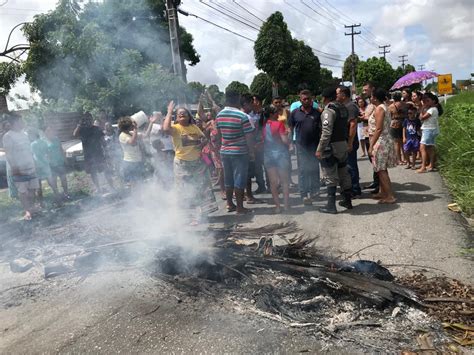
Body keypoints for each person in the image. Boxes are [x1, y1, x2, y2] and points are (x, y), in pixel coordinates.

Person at [163, 101, 218, 224]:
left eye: (184, 113)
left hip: (197, 163)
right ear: (176, 117)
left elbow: (204, 138)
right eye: (179, 114)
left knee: (200, 188)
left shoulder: (194, 127)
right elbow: (166, 129)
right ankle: (190, 218)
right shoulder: (176, 128)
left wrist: (202, 143)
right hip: (182, 165)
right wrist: (169, 111)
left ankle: (202, 214)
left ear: (189, 116)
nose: (182, 114)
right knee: (185, 191)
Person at [216, 90, 255, 214]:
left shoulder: (219, 115)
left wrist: (220, 148)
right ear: (237, 100)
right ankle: (240, 207)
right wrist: (251, 152)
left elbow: (218, 135)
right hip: (239, 152)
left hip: (224, 151)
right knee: (239, 178)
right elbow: (249, 137)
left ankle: (229, 204)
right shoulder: (241, 116)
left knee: (228, 178)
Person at [316, 88, 353, 214]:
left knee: (330, 175)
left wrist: (320, 149)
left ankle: (331, 206)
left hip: (331, 147)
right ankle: (347, 201)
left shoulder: (329, 111)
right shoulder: (342, 108)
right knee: (343, 173)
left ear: (325, 98)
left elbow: (326, 132)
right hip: (342, 144)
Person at [3, 115, 40, 220]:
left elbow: (29, 150)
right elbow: (9, 154)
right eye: (21, 121)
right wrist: (15, 168)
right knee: (23, 191)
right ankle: (27, 211)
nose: (23, 122)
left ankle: (32, 208)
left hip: (30, 166)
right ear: (15, 122)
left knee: (33, 188)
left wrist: (34, 162)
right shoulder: (8, 136)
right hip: (19, 169)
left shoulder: (24, 134)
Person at [288, 90, 321, 206]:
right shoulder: (294, 113)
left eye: (308, 99)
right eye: (304, 99)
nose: (307, 101)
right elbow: (290, 128)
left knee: (314, 168)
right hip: (301, 146)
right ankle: (304, 194)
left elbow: (321, 129)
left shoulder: (317, 113)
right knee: (302, 170)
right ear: (300, 100)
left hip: (315, 146)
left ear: (311, 99)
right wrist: (291, 143)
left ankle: (315, 191)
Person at [368, 88, 397, 204]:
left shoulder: (380, 109)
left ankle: (390, 196)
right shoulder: (383, 107)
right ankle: (383, 192)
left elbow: (379, 128)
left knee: (381, 169)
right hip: (384, 140)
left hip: (381, 141)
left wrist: (371, 145)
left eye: (371, 96)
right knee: (381, 168)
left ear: (374, 97)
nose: (370, 98)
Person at [73, 113, 114, 193]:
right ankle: (98, 188)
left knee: (106, 170)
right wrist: (79, 124)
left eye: (90, 119)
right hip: (88, 156)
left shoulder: (96, 128)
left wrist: (106, 152)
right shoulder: (82, 129)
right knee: (93, 173)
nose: (88, 121)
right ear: (84, 121)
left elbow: (102, 140)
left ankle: (112, 187)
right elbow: (74, 135)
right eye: (86, 119)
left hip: (99, 154)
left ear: (92, 119)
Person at [262, 105, 290, 213]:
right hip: (280, 154)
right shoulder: (279, 124)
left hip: (268, 154)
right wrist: (288, 137)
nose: (278, 113)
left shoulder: (264, 126)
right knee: (284, 181)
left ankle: (277, 206)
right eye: (275, 112)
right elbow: (284, 140)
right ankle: (286, 205)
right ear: (271, 114)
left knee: (273, 182)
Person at [336, 86, 361, 197]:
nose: (336, 95)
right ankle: (350, 188)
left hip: (349, 141)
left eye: (337, 93)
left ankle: (355, 189)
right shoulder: (344, 106)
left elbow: (353, 125)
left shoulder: (350, 107)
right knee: (346, 166)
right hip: (344, 141)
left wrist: (350, 142)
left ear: (343, 94)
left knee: (351, 165)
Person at [241, 93, 262, 204]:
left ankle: (245, 195)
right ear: (246, 104)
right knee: (247, 174)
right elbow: (251, 134)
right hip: (247, 148)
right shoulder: (247, 117)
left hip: (239, 148)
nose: (253, 105)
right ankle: (249, 196)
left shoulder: (238, 115)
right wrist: (252, 151)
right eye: (251, 103)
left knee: (243, 174)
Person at [29, 128, 60, 204]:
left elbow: (32, 156)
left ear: (33, 136)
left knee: (38, 186)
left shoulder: (32, 144)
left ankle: (41, 203)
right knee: (51, 183)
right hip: (45, 165)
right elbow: (48, 153)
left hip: (37, 166)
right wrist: (48, 161)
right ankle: (58, 199)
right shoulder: (44, 142)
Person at [272, 95, 296, 187]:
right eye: (275, 103)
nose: (278, 104)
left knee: (287, 161)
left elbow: (290, 125)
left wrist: (291, 139)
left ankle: (289, 180)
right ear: (272, 103)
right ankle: (278, 181)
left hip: (286, 138)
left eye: (279, 102)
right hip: (275, 140)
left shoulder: (286, 112)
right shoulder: (271, 113)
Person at [361, 81, 379, 193]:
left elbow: (369, 118)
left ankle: (379, 185)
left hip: (373, 135)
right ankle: (376, 182)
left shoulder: (375, 104)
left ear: (372, 89)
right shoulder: (369, 103)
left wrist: (359, 117)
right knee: (372, 160)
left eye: (365, 90)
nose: (364, 92)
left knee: (375, 160)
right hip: (368, 133)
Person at [417, 92, 442, 173]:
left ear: (433, 101)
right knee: (430, 148)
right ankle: (431, 164)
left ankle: (423, 166)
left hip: (429, 130)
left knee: (422, 147)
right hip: (430, 129)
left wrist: (422, 109)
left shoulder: (432, 109)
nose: (426, 102)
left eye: (428, 101)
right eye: (425, 101)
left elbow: (421, 118)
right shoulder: (432, 109)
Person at [118, 116, 144, 189]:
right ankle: (135, 197)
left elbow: (145, 135)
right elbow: (132, 142)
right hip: (130, 162)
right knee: (134, 184)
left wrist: (151, 123)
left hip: (137, 160)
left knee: (139, 182)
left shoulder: (130, 133)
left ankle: (140, 197)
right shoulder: (122, 135)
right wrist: (135, 129)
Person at [44, 126, 70, 199]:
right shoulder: (44, 142)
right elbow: (44, 153)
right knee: (54, 181)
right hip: (51, 165)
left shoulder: (56, 139)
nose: (50, 133)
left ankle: (66, 193)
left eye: (51, 131)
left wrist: (65, 160)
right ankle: (57, 195)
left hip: (60, 162)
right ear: (45, 133)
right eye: (48, 131)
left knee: (63, 179)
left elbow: (61, 149)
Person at [249, 94, 267, 194]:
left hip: (265, 143)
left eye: (254, 100)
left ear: (258, 102)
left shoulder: (265, 113)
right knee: (257, 167)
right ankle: (261, 185)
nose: (252, 103)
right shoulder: (250, 114)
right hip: (255, 143)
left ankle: (272, 184)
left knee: (268, 165)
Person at [388, 92, 408, 165]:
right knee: (403, 141)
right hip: (403, 123)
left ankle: (399, 160)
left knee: (397, 143)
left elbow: (389, 116)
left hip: (394, 124)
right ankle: (405, 158)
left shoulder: (391, 106)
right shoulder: (404, 104)